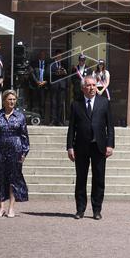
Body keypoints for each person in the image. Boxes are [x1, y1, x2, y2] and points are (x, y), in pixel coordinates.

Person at [66, 75, 114, 219]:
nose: (92, 88)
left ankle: (97, 210)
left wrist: (110, 144)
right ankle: (80, 209)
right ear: (82, 88)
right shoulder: (76, 104)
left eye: (94, 85)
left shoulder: (104, 102)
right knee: (81, 179)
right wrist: (69, 147)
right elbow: (71, 128)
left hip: (99, 146)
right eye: (88, 85)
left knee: (99, 179)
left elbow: (110, 126)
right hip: (81, 147)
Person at [0, 89, 30, 218]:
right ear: (4, 100)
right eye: (9, 99)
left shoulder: (20, 116)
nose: (12, 101)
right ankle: (1, 207)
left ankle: (11, 208)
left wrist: (24, 152)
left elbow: (24, 136)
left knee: (13, 179)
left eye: (14, 99)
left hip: (16, 150)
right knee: (1, 179)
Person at [48, 50, 68, 126]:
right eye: (58, 56)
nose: (60, 57)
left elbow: (67, 74)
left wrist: (64, 72)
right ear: (55, 56)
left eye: (61, 56)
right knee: (53, 103)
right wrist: (56, 73)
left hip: (62, 86)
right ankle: (53, 120)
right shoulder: (51, 64)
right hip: (54, 85)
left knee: (60, 103)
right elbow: (48, 73)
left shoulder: (64, 64)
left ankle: (59, 120)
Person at [29, 49, 49, 120]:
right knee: (33, 102)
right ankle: (32, 117)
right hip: (34, 86)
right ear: (39, 55)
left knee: (42, 103)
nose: (42, 56)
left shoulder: (48, 64)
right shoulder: (33, 63)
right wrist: (37, 81)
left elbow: (50, 75)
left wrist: (45, 81)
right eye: (41, 54)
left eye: (43, 54)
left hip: (44, 86)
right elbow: (32, 73)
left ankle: (42, 118)